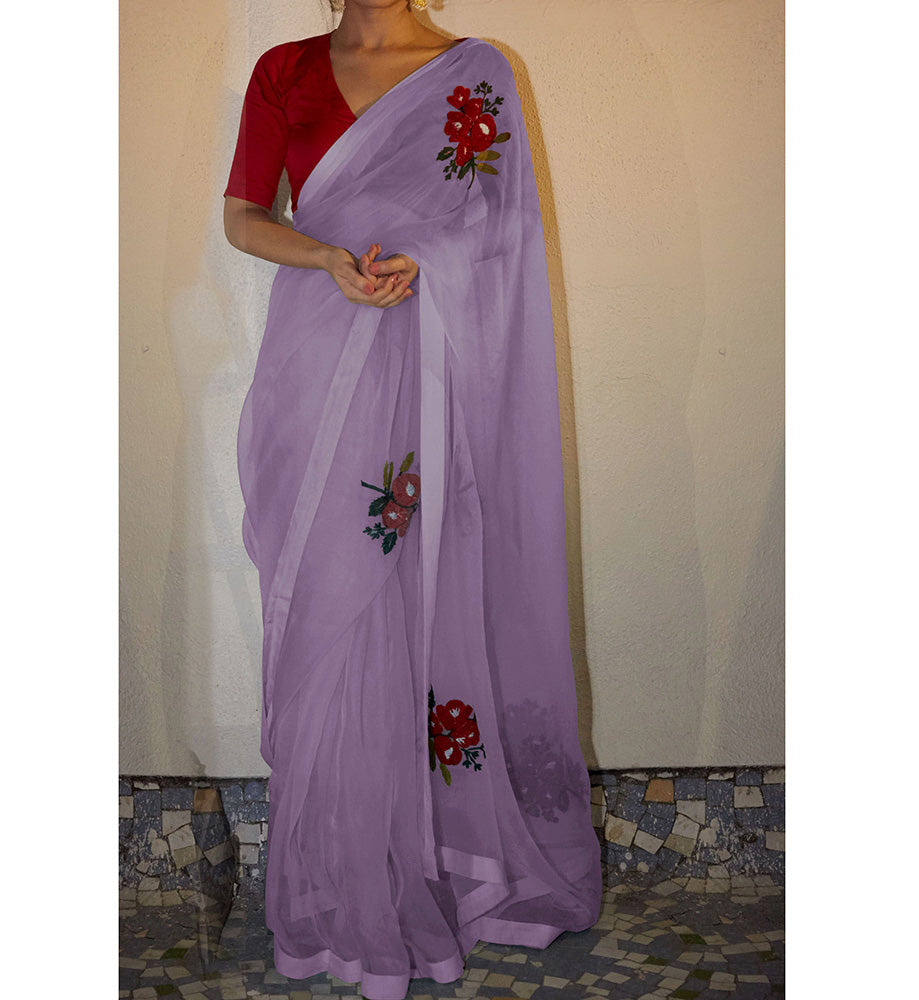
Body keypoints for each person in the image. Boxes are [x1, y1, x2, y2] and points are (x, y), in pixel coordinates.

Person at [223, 2, 602, 997]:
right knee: (331, 614)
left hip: (435, 376)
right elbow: (244, 216)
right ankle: (343, 875)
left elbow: (505, 226)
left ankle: (442, 865)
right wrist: (328, 259)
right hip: (318, 366)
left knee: (430, 598)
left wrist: (425, 260)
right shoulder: (283, 71)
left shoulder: (474, 71)